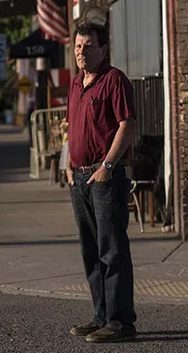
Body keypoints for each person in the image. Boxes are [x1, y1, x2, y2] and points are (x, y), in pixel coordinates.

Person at [65, 22, 137, 343]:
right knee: (91, 252)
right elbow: (73, 127)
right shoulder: (75, 83)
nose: (82, 52)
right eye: (78, 46)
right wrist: (69, 161)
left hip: (104, 177)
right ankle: (101, 316)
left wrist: (108, 165)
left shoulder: (114, 80)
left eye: (89, 46)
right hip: (79, 177)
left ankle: (121, 322)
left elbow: (127, 125)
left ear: (103, 50)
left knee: (112, 251)